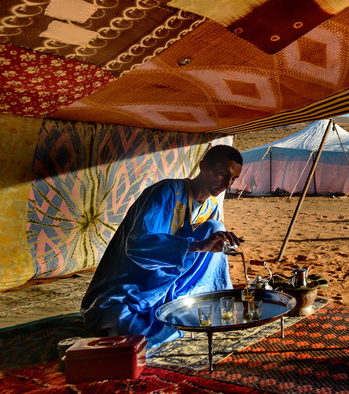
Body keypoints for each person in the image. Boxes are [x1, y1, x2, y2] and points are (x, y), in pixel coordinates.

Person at [81, 145, 244, 348]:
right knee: (121, 320)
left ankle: (179, 305)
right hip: (136, 285)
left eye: (233, 180)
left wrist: (212, 245)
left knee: (215, 228)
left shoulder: (211, 207)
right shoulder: (166, 193)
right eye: (222, 174)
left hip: (174, 287)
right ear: (203, 166)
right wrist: (198, 245)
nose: (227, 185)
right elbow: (136, 246)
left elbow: (204, 263)